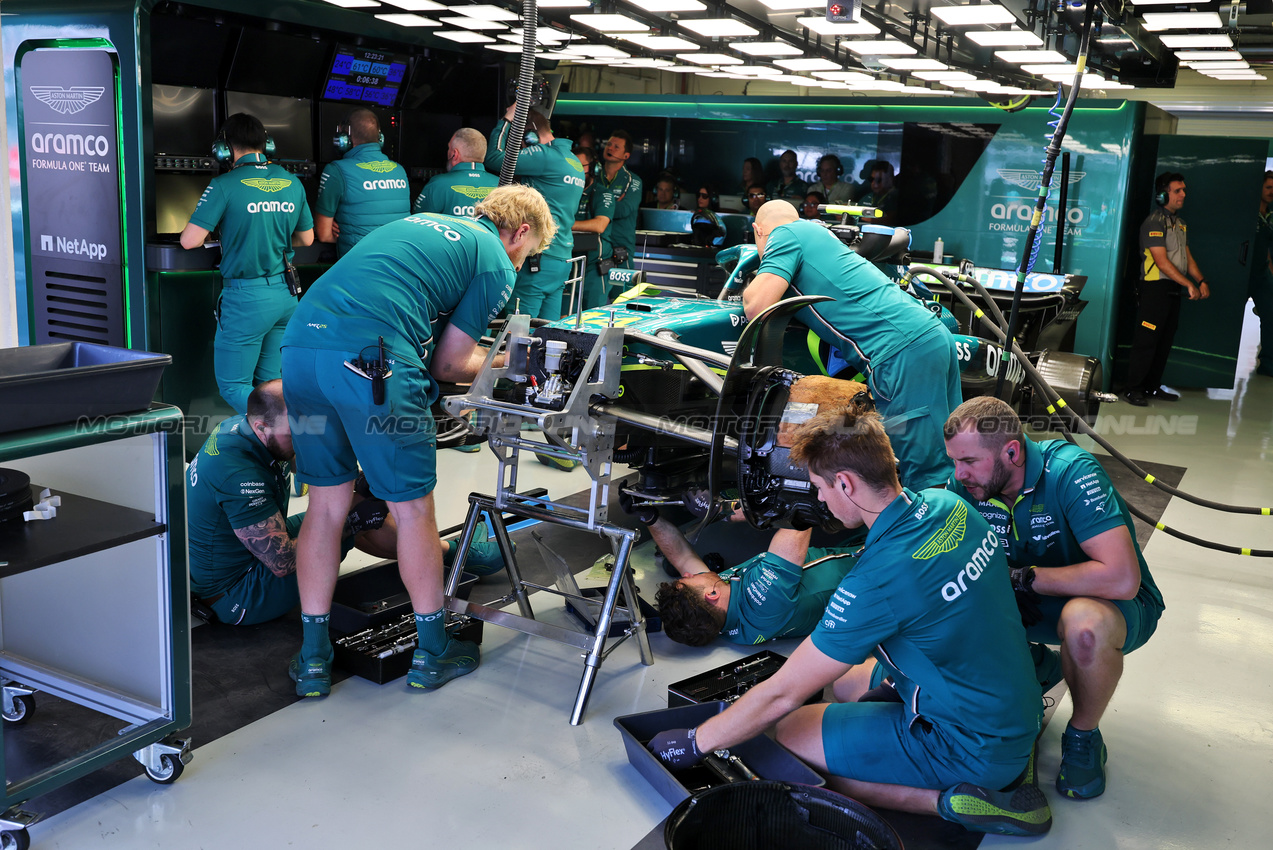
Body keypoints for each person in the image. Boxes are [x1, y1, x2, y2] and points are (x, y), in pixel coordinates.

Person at [649, 408, 1049, 837]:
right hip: (1015, 702)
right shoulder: (948, 504)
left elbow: (781, 696)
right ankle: (998, 749)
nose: (820, 499)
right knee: (844, 683)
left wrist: (695, 742)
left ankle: (956, 802)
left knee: (787, 742)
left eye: (821, 488)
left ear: (845, 482)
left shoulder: (873, 583)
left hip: (974, 746)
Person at [279, 185, 556, 697]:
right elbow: (450, 364)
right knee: (411, 512)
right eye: (530, 251)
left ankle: (313, 659)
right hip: (371, 364)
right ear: (519, 232)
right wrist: (512, 359)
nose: (525, 261)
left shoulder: (424, 223)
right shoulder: (495, 258)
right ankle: (434, 651)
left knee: (324, 507)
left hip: (300, 352)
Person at [944, 396, 1165, 800]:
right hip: (1024, 600)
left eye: (969, 462)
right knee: (945, 606)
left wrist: (1025, 578)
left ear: (1011, 451)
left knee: (1084, 626)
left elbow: (1121, 579)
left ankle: (1083, 737)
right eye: (955, 462)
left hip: (1112, 604)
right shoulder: (965, 483)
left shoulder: (1070, 473)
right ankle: (1031, 666)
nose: (959, 474)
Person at [744, 201, 962, 490]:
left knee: (921, 472)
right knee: (954, 456)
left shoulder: (785, 234)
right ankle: (960, 526)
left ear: (757, 230)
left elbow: (756, 305)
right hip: (930, 337)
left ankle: (927, 533)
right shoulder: (819, 237)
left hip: (901, 350)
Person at [186, 380, 395, 626]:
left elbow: (310, 464)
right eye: (293, 434)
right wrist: (351, 521)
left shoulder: (250, 429)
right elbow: (282, 562)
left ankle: (441, 552)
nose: (302, 440)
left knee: (355, 501)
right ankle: (428, 564)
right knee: (344, 521)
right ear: (261, 427)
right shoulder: (240, 476)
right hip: (238, 596)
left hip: (250, 560)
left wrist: (358, 480)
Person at [180, 112, 314, 416]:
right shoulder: (292, 182)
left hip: (247, 300)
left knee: (233, 385)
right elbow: (306, 238)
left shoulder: (224, 185)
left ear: (224, 148)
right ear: (266, 144)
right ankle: (282, 451)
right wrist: (267, 237)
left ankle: (285, 432)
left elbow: (190, 241)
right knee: (270, 383)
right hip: (286, 296)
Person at [636, 499, 854, 646]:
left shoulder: (719, 611)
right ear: (711, 595)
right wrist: (753, 510)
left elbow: (682, 558)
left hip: (843, 549)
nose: (686, 574)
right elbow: (802, 516)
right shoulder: (762, 602)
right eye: (687, 581)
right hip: (868, 556)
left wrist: (649, 518)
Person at [486, 106, 585, 320]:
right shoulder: (575, 162)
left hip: (537, 258)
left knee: (517, 333)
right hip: (561, 259)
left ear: (530, 136)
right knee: (548, 335)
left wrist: (506, 121)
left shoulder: (545, 155)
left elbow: (494, 157)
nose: (520, 147)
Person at [1124, 171, 1211, 406]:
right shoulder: (1154, 222)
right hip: (1155, 289)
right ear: (1163, 195)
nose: (1183, 194)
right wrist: (1188, 284)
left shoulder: (1180, 225)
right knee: (1147, 340)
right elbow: (1161, 262)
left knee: (1164, 341)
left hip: (1173, 290)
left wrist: (1201, 281)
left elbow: (1187, 257)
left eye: (1184, 190)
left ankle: (1152, 387)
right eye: (1177, 191)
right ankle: (1133, 389)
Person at [313, 108, 410, 257]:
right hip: (398, 260)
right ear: (380, 137)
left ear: (345, 138)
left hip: (359, 264)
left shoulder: (336, 170)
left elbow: (324, 234)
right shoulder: (400, 171)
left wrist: (345, 230)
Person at [412, 128, 499, 217]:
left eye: (449, 148)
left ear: (455, 154)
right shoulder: (501, 184)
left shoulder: (438, 184)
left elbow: (417, 220)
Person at [571, 145, 617, 310]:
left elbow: (600, 225)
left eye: (580, 166)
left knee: (591, 315)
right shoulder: (568, 192)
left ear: (594, 168)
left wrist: (566, 225)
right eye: (572, 166)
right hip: (571, 262)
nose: (575, 170)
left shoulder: (602, 193)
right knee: (564, 317)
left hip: (596, 265)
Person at [596, 130, 643, 273]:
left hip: (621, 248)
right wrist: (613, 203)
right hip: (596, 247)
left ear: (626, 155)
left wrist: (598, 206)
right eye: (608, 144)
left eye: (616, 146)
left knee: (622, 294)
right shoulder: (593, 176)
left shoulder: (633, 180)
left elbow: (624, 210)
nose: (610, 148)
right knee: (596, 294)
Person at [1249, 171, 1273, 377]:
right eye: (1268, 187)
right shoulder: (1247, 213)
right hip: (1241, 273)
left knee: (1270, 315)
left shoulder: (1271, 215)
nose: (1272, 192)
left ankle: (1268, 365)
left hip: (1262, 273)